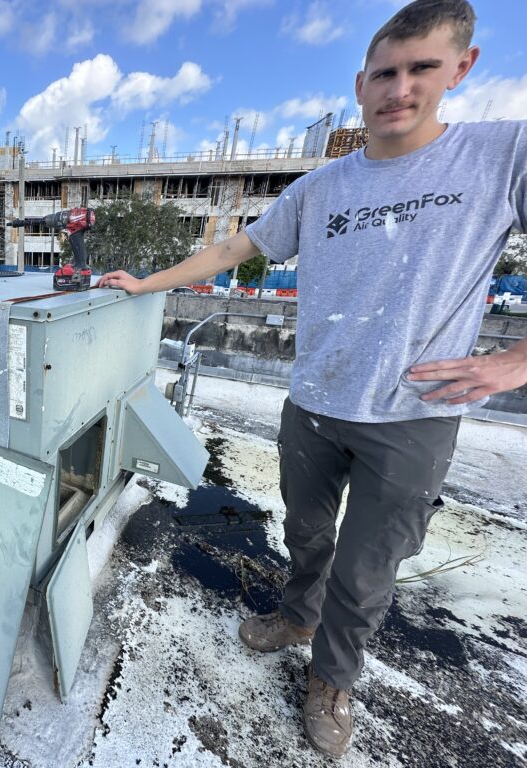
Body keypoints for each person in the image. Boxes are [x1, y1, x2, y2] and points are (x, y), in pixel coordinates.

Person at [99, 0, 527, 757]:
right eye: (386, 74)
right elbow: (233, 251)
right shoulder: (322, 187)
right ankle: (297, 616)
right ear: (361, 85)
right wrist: (148, 283)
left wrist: (515, 360)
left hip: (412, 416)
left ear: (461, 69)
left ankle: (332, 679)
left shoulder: (501, 156)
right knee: (304, 532)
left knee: (367, 569)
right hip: (315, 402)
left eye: (422, 68)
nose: (401, 89)